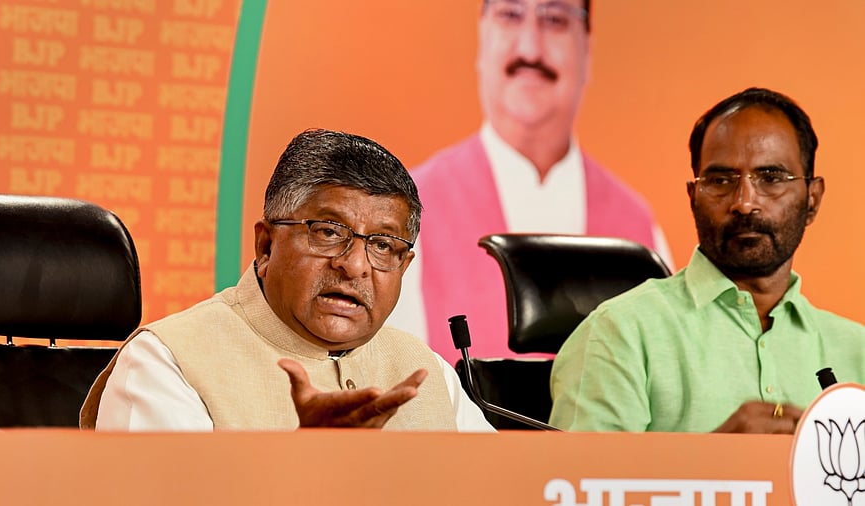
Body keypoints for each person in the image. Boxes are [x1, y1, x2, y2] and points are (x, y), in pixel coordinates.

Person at [80, 128, 494, 432]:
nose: (355, 265)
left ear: (405, 265)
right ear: (265, 247)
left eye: (383, 245)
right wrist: (300, 465)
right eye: (329, 232)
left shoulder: (428, 372)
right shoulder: (167, 364)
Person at [549, 87, 865, 433]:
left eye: (771, 178)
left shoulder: (856, 351)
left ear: (813, 200)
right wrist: (714, 466)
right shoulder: (619, 334)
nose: (744, 202)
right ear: (693, 198)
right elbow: (583, 483)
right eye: (720, 180)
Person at [387, 0, 671, 365]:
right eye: (510, 15)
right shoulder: (407, 210)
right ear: (483, 35)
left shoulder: (638, 227)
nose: (530, 48)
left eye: (555, 19)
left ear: (587, 47)